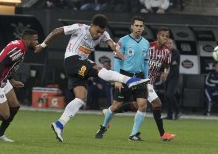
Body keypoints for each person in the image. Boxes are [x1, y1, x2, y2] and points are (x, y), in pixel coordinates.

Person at [34, 14, 149, 142]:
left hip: (79, 67)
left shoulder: (103, 34)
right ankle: (130, 80)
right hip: (72, 60)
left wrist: (115, 49)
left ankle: (59, 124)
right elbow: (57, 31)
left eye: (102, 32)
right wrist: (43, 45)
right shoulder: (80, 28)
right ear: (92, 25)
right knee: (98, 69)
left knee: (81, 97)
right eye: (97, 31)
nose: (99, 35)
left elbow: (110, 42)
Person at [103, 27, 176, 141]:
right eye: (163, 36)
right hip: (140, 79)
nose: (165, 38)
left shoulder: (167, 52)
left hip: (149, 82)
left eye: (167, 36)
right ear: (157, 36)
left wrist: (165, 73)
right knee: (157, 104)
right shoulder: (148, 46)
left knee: (137, 105)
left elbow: (167, 65)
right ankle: (162, 134)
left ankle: (110, 112)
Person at [95, 16, 150, 141]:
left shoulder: (146, 43)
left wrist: (146, 81)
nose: (138, 28)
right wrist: (118, 79)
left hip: (139, 77)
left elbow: (146, 63)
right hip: (124, 76)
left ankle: (134, 134)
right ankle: (103, 127)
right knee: (116, 106)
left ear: (143, 27)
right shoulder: (123, 41)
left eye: (141, 26)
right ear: (132, 26)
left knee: (142, 105)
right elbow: (118, 61)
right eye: (136, 25)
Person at [163, 38, 181, 120]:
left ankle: (177, 111)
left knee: (170, 94)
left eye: (170, 43)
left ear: (173, 44)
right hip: (166, 76)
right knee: (166, 96)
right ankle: (169, 114)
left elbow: (171, 62)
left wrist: (167, 62)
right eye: (167, 43)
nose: (169, 45)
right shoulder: (164, 52)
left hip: (174, 76)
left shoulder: (176, 52)